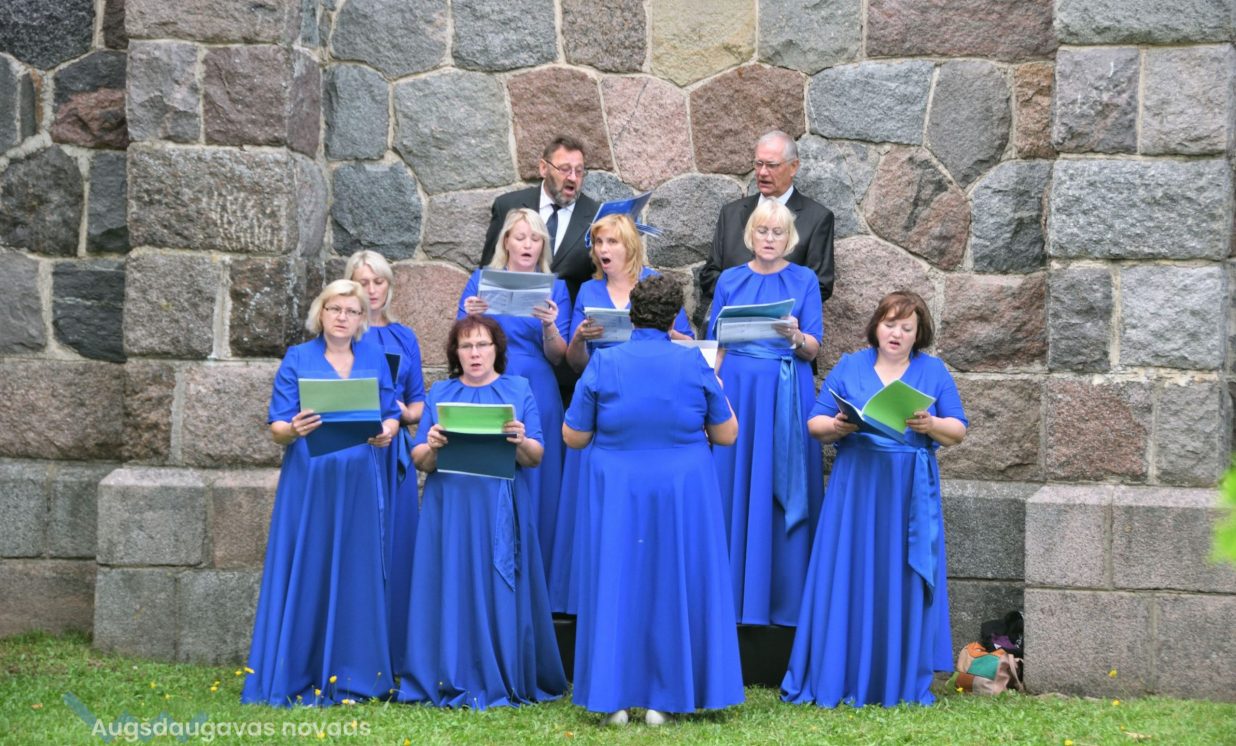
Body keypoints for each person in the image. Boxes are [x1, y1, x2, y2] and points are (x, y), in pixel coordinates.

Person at [565, 274, 743, 726]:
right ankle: (666, 698)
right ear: (672, 318)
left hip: (619, 487)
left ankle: (614, 699)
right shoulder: (692, 362)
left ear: (631, 314)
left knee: (617, 582)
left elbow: (574, 436)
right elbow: (727, 434)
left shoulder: (605, 362)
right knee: (673, 582)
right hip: (682, 489)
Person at [782, 290, 968, 708]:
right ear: (876, 327)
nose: (896, 334)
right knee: (851, 569)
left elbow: (958, 429)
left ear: (919, 334)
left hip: (908, 491)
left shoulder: (933, 371)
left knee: (899, 575)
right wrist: (837, 426)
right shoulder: (851, 366)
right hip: (857, 486)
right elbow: (814, 422)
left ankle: (896, 676)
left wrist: (931, 424)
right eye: (889, 324)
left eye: (907, 327)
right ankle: (840, 670)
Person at [242, 279, 401, 707]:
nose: (342, 317)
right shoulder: (298, 357)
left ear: (362, 318)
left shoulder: (374, 357)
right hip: (310, 481)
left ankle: (358, 674)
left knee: (356, 568)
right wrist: (293, 428)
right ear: (321, 313)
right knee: (307, 564)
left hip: (359, 479)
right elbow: (277, 427)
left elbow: (390, 414)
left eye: (351, 311)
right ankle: (297, 670)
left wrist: (386, 432)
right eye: (335, 309)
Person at [395, 315, 566, 708]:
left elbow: (536, 456)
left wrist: (520, 440)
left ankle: (501, 672)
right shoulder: (441, 392)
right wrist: (432, 444)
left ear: (496, 350)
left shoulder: (518, 389)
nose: (475, 353)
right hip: (450, 507)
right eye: (466, 346)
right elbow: (420, 460)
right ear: (456, 353)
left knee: (497, 584)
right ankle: (448, 670)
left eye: (482, 345)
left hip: (499, 504)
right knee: (451, 581)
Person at [549, 214, 694, 614]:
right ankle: (588, 593)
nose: (603, 250)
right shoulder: (589, 291)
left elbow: (686, 345)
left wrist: (667, 333)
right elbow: (576, 364)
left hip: (648, 398)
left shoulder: (654, 285)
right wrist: (579, 338)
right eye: (598, 243)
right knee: (596, 499)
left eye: (611, 242)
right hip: (600, 400)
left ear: (630, 245)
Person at [706, 200, 824, 628]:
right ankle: (728, 597)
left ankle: (784, 601)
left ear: (789, 238)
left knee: (781, 485)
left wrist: (796, 336)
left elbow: (814, 347)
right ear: (750, 235)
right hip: (738, 392)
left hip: (785, 394)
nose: (769, 238)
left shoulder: (804, 279)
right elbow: (716, 345)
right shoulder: (730, 279)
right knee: (732, 483)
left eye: (777, 232)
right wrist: (713, 390)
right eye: (762, 231)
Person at [459, 208, 570, 591]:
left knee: (538, 480)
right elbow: (460, 346)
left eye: (535, 238)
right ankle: (488, 576)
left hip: (538, 386)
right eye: (520, 237)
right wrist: (470, 318)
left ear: (543, 246)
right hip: (490, 385)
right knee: (490, 477)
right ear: (505, 241)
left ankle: (540, 583)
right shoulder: (480, 280)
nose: (527, 244)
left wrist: (549, 325)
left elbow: (559, 356)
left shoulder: (555, 287)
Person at [344, 250, 425, 670]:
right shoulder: (342, 334)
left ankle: (395, 653)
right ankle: (353, 649)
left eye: (379, 282)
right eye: (364, 282)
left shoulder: (403, 337)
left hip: (393, 450)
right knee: (355, 547)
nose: (372, 290)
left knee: (396, 546)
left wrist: (398, 411)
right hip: (351, 448)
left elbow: (419, 404)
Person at [698, 130, 835, 327]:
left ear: (793, 167)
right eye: (758, 164)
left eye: (772, 165)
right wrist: (745, 307)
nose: (762, 172)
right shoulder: (731, 213)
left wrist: (769, 312)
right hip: (733, 331)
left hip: (784, 332)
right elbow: (710, 274)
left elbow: (821, 285)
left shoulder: (817, 218)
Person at [480, 135, 600, 304]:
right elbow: (489, 268)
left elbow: (600, 280)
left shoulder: (596, 216)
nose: (573, 178)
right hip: (511, 313)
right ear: (544, 168)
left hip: (568, 317)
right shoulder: (507, 206)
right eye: (565, 169)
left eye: (579, 171)